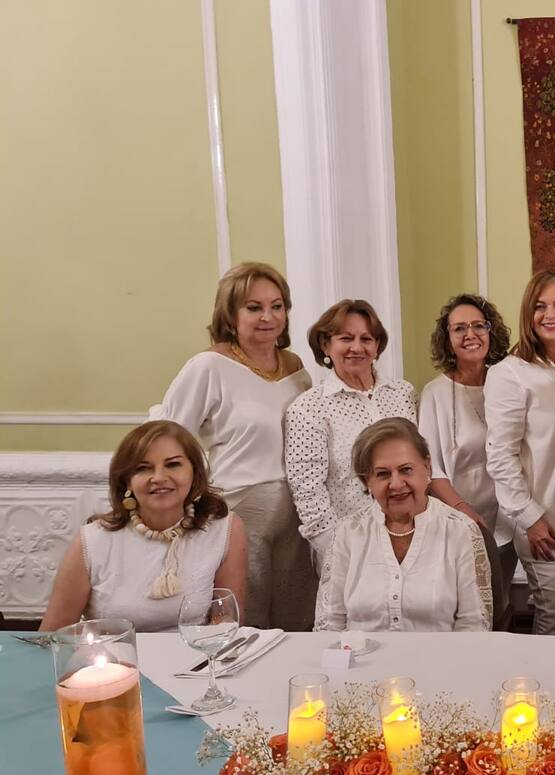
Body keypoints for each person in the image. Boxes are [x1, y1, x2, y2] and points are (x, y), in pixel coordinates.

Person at [155, 262, 314, 630]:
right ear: (230, 312)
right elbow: (167, 439)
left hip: (297, 512)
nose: (268, 317)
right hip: (240, 512)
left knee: (297, 614)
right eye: (253, 307)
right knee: (246, 617)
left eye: (277, 306)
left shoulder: (295, 366)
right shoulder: (207, 366)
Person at [40, 421, 247, 633]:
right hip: (116, 662)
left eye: (173, 464)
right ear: (127, 481)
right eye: (142, 468)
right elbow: (53, 635)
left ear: (194, 472)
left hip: (193, 661)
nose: (158, 478)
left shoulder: (225, 529)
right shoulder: (92, 540)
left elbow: (226, 623)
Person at [314, 418, 490, 632]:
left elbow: (474, 625)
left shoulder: (460, 530)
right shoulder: (347, 533)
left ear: (427, 468)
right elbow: (329, 624)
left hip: (438, 663)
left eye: (406, 469)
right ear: (367, 480)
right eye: (382, 474)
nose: (396, 484)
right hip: (361, 663)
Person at [485, 269, 555, 635]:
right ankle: (539, 692)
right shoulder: (509, 374)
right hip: (543, 521)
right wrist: (529, 517)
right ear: (528, 314)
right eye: (540, 307)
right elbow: (500, 455)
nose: (550, 315)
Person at [285, 299, 416, 574]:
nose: (357, 347)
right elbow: (309, 494)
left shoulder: (404, 393)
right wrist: (340, 552)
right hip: (348, 550)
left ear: (377, 346)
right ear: (325, 345)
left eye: (366, 339)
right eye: (346, 338)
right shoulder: (308, 408)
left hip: (413, 540)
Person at [419, 294, 516, 628]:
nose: (470, 334)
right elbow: (431, 470)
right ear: (447, 338)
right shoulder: (435, 393)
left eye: (479, 325)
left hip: (508, 521)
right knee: (466, 611)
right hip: (458, 522)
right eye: (459, 328)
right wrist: (465, 513)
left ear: (492, 332)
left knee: (501, 608)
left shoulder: (508, 382)